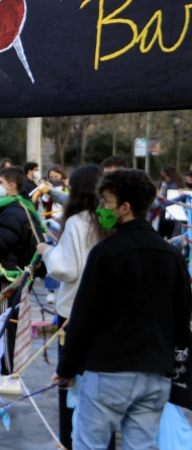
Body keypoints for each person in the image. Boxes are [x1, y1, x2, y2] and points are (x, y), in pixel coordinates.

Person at [53, 169, 192, 450]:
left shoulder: (106, 252)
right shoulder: (171, 254)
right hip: (155, 374)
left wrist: (67, 367)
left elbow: (84, 317)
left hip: (109, 372)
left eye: (105, 202)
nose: (101, 208)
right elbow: (182, 317)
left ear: (125, 208)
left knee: (89, 445)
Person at [36, 165, 111, 450]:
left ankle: (69, 440)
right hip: (109, 312)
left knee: (69, 377)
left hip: (74, 312)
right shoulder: (110, 221)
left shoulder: (78, 222)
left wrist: (48, 252)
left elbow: (66, 269)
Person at [0, 167, 43, 382]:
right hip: (12, 275)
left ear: (11, 185)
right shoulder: (18, 208)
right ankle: (2, 370)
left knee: (6, 325)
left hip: (10, 278)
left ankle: (6, 374)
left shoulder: (13, 212)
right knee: (3, 324)